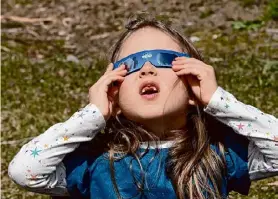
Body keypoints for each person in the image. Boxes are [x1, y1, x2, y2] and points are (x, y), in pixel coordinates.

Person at [8, 15, 278, 199]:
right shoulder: (95, 160)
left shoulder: (216, 152)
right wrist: (93, 115)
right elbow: (25, 172)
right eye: (131, 65)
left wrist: (218, 101)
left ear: (194, 83)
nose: (147, 68)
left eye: (166, 60)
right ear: (113, 90)